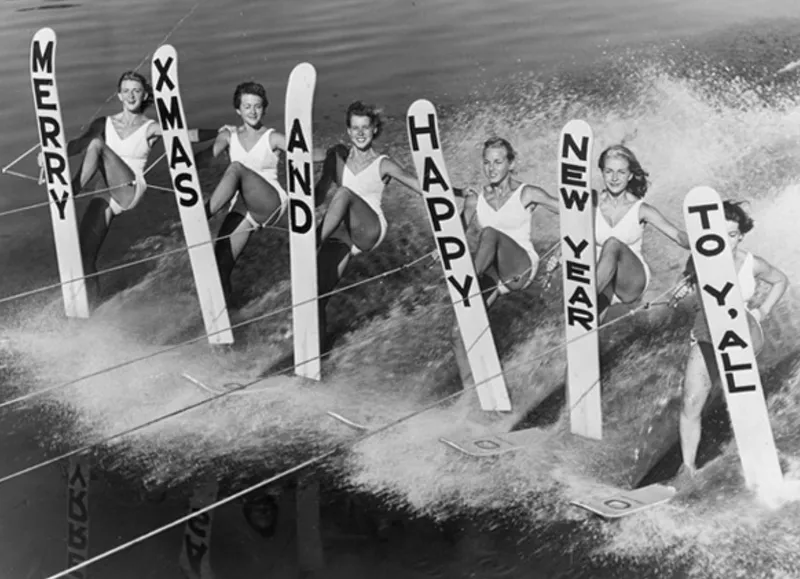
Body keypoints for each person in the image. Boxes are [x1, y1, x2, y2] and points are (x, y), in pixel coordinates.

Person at [42, 71, 218, 308]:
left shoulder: (150, 127)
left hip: (130, 187)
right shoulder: (103, 123)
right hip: (104, 191)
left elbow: (187, 136)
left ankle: (70, 191)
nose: (131, 95)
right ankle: (89, 308)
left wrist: (223, 131)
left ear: (144, 94)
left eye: (136, 90)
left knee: (97, 145)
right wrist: (50, 153)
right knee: (84, 255)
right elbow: (77, 145)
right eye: (126, 91)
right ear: (119, 95)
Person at [671, 200, 788, 487]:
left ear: (741, 236)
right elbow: (687, 279)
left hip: (743, 331)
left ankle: (761, 461)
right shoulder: (699, 260)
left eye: (733, 235)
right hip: (708, 333)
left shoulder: (752, 263)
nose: (726, 241)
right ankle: (686, 468)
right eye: (720, 234)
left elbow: (780, 280)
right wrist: (684, 285)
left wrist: (763, 311)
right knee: (692, 401)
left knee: (741, 401)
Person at [313, 101, 430, 351]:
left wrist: (456, 193)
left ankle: (310, 243)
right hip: (343, 232)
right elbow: (320, 194)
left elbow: (416, 184)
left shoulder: (383, 163)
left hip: (371, 228)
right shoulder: (336, 157)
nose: (360, 133)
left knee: (344, 193)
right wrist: (297, 194)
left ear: (374, 129)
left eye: (365, 127)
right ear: (348, 130)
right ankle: (317, 353)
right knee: (316, 294)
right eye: (355, 128)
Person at [202, 81, 326, 303]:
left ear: (264, 109)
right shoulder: (228, 136)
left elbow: (308, 154)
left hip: (270, 203)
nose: (252, 111)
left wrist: (335, 152)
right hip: (243, 210)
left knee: (237, 169)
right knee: (219, 267)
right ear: (238, 110)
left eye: (257, 106)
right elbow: (203, 159)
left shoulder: (272, 137)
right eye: (247, 106)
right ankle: (229, 312)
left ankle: (202, 216)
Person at [591, 144, 691, 318]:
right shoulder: (590, 202)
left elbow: (677, 235)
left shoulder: (641, 209)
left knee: (612, 244)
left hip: (630, 281)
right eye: (609, 171)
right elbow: (573, 229)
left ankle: (585, 299)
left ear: (630, 175)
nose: (614, 178)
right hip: (602, 281)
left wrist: (705, 243)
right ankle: (589, 304)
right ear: (602, 172)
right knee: (588, 337)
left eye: (621, 172)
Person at [459, 137, 560, 308]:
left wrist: (559, 252)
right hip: (492, 272)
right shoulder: (475, 200)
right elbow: (454, 234)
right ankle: (471, 291)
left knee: (489, 233)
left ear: (511, 164)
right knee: (471, 319)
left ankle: (468, 283)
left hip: (521, 268)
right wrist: (440, 249)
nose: (491, 168)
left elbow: (572, 213)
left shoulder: (527, 193)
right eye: (487, 162)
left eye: (498, 162)